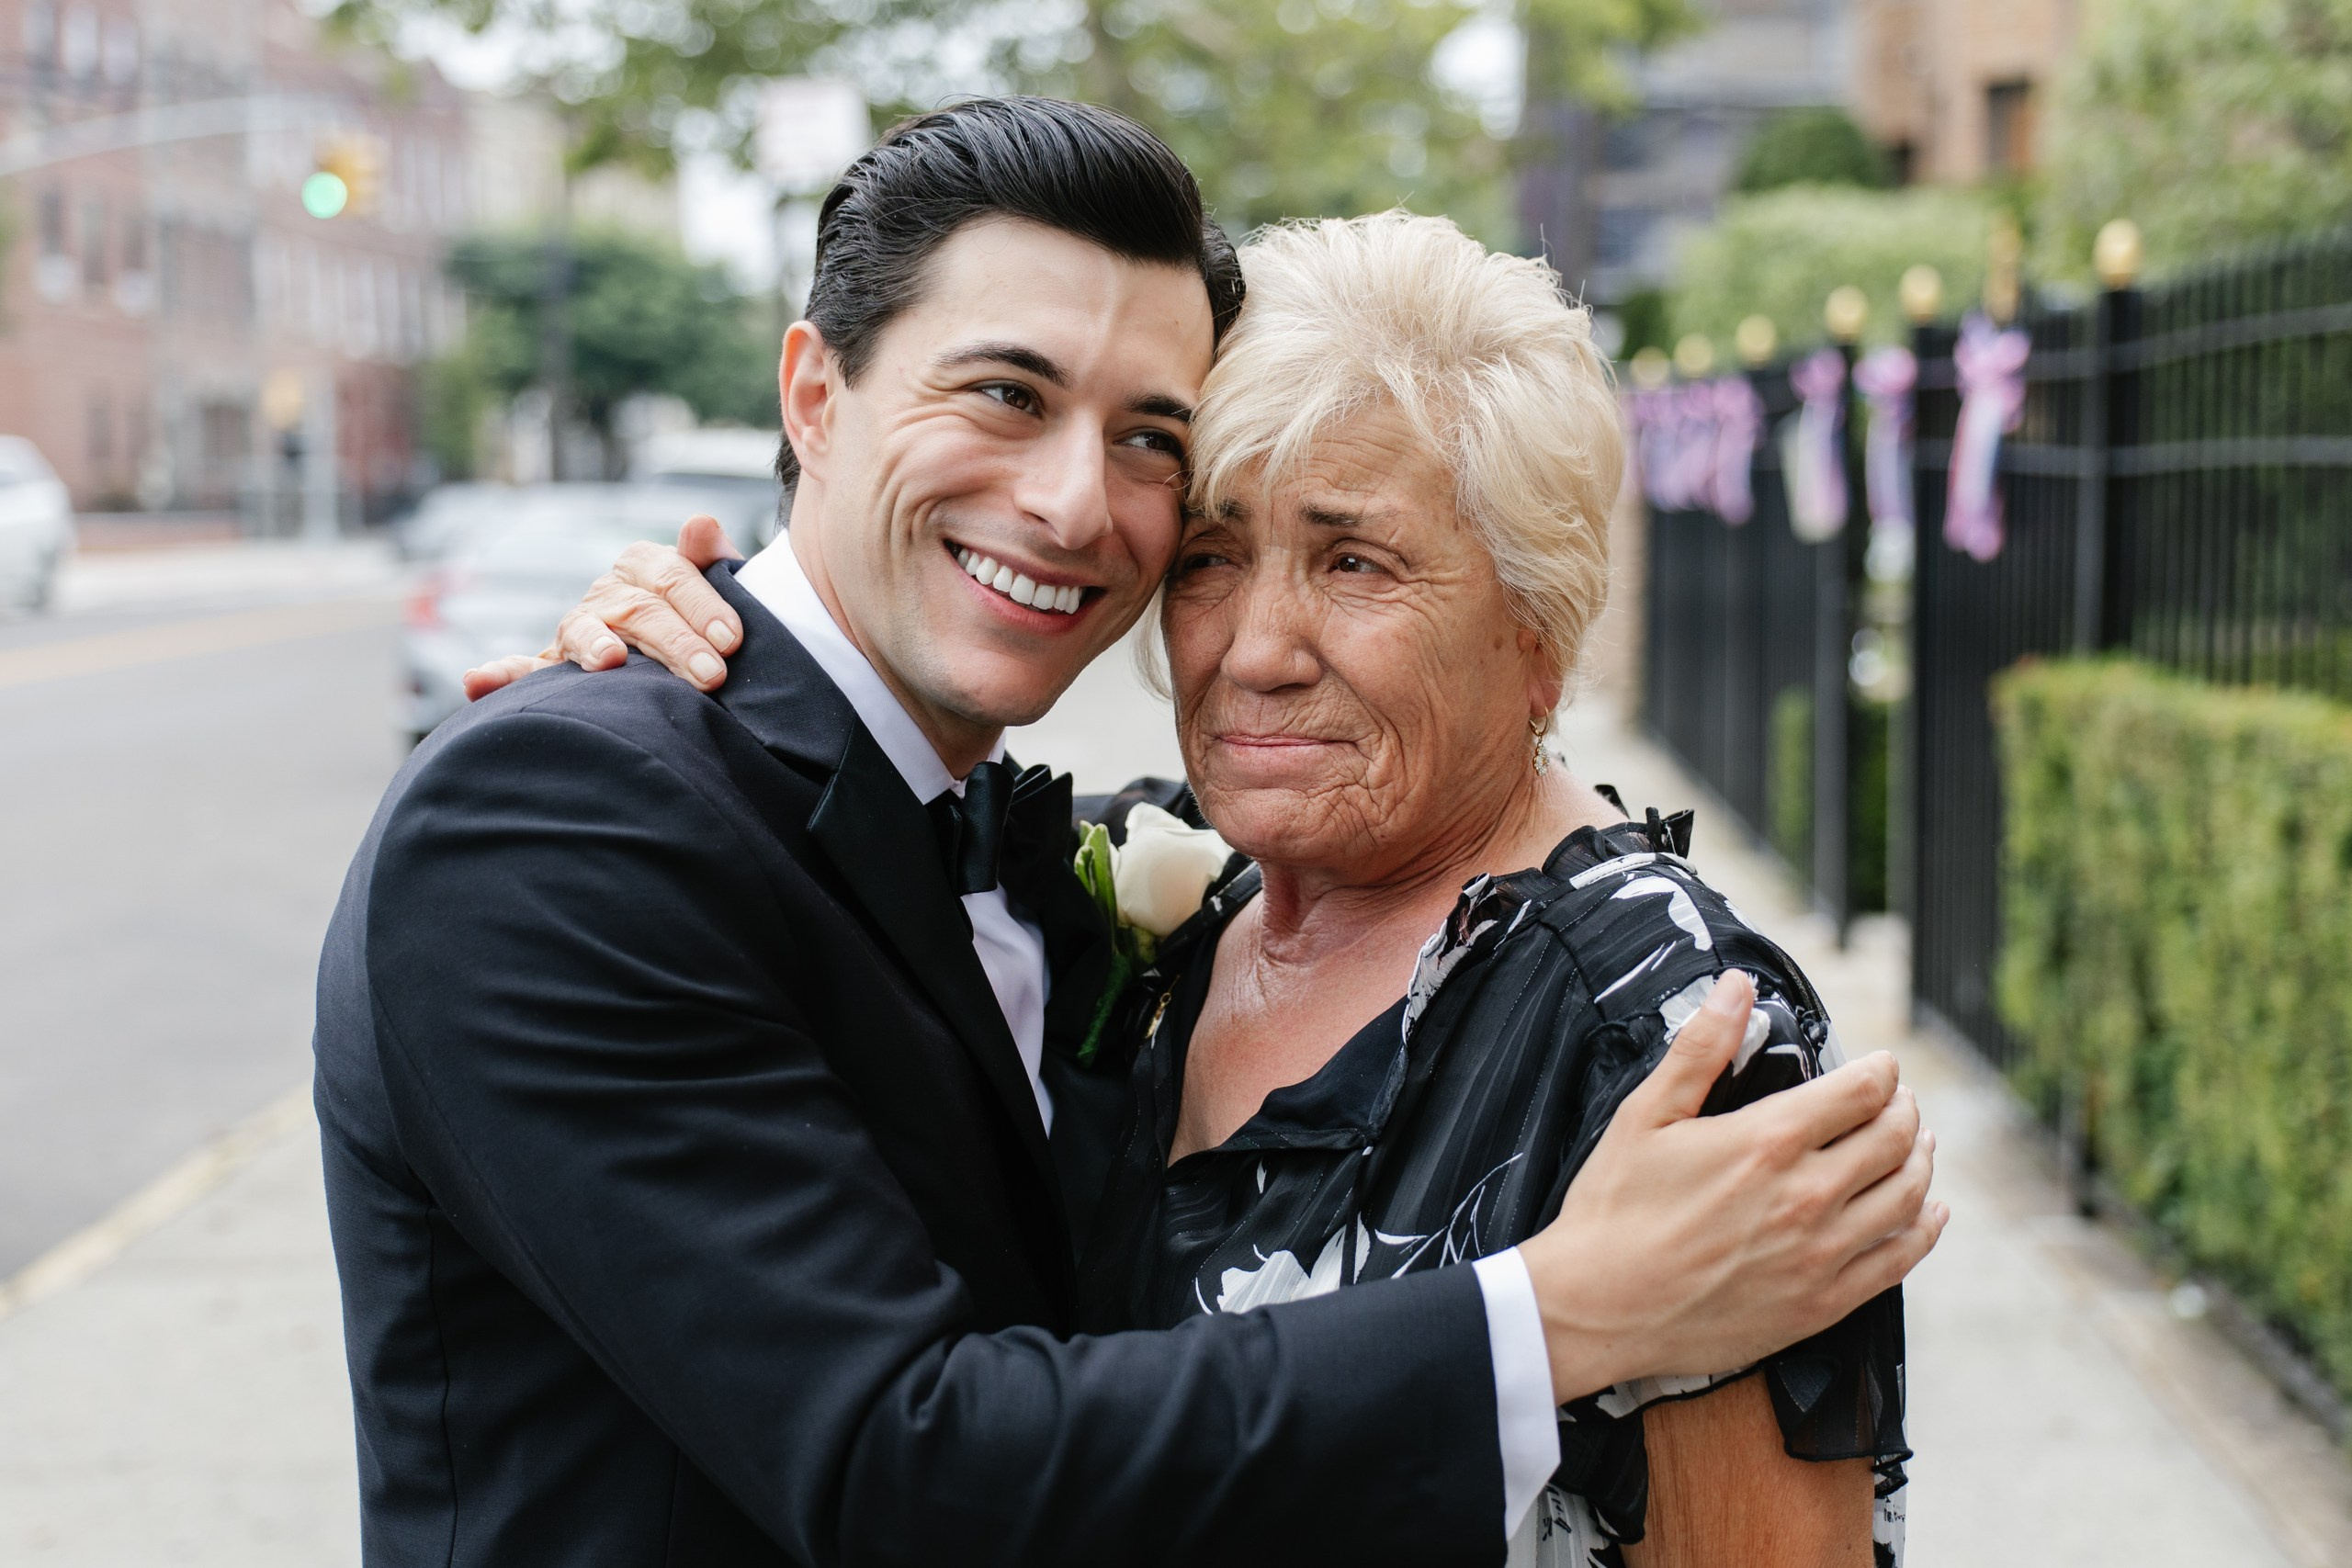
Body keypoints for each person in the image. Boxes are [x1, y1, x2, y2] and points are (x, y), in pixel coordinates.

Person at [328, 97, 1940, 1565]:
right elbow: (909, 1459)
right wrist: (1554, 1317)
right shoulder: (584, 817)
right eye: (1222, 552)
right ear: (815, 394)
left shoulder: (1660, 1028)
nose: (1077, 506)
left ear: (1540, 634)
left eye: (1358, 563)